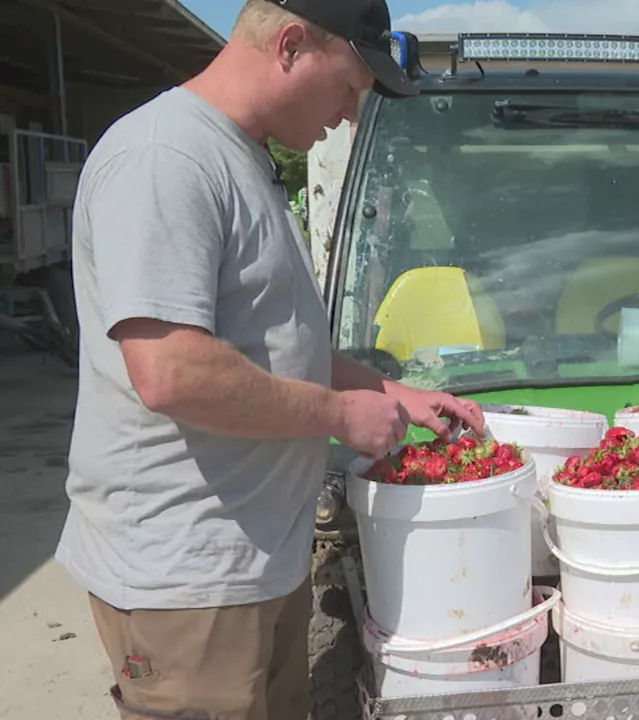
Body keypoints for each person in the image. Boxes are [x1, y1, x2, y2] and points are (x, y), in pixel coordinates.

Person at [54, 1, 486, 718]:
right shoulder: (167, 157)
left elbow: (275, 343)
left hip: (254, 564)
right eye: (348, 87)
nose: (349, 115)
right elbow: (170, 371)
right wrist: (342, 414)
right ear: (290, 45)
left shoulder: (242, 158)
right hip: (188, 581)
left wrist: (390, 390)